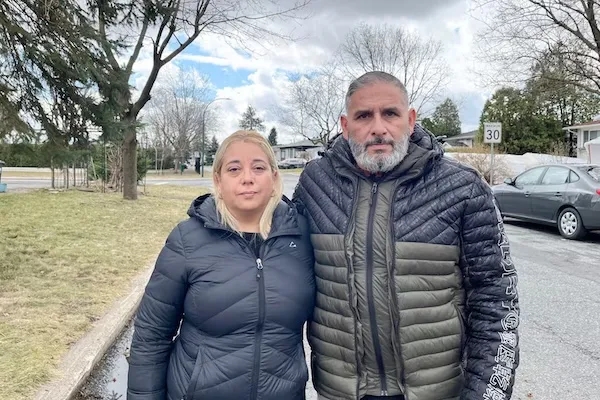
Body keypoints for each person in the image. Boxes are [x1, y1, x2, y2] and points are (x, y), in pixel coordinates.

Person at [293, 71, 520, 400]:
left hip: (438, 390)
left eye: (390, 113)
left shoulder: (463, 187)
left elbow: (496, 300)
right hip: (341, 390)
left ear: (410, 120)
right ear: (345, 125)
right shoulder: (315, 184)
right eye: (363, 116)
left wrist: (486, 393)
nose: (378, 127)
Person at [127, 130, 316, 400]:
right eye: (234, 169)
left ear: (274, 178)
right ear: (218, 180)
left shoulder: (302, 237)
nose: (247, 178)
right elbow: (151, 336)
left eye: (258, 167)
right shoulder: (187, 240)